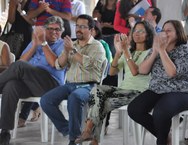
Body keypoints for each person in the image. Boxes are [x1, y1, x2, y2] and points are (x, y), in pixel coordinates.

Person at [75, 21, 155, 145]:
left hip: (140, 93)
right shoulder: (130, 51)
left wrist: (125, 51)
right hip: (123, 90)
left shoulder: (151, 52)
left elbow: (135, 71)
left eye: (141, 31)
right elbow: (112, 72)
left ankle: (92, 137)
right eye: (135, 31)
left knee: (102, 103)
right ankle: (90, 132)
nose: (136, 34)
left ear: (148, 35)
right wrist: (118, 53)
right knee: (97, 90)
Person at [40, 14, 106, 145]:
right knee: (46, 100)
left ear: (91, 30)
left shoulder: (97, 46)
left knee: (75, 97)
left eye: (83, 27)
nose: (78, 30)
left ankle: (73, 140)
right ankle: (70, 132)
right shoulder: (72, 44)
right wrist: (66, 52)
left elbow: (89, 64)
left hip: (89, 85)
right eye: (77, 26)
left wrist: (72, 51)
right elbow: (59, 65)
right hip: (70, 84)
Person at [0, 16, 66, 145]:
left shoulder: (63, 45)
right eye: (50, 29)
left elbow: (54, 63)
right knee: (11, 85)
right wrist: (35, 45)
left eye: (57, 29)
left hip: (51, 85)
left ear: (62, 31)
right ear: (44, 30)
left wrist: (43, 44)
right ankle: (5, 132)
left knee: (19, 67)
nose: (54, 32)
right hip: (31, 84)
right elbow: (21, 62)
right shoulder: (36, 42)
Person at [128, 20, 188, 145]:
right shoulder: (158, 49)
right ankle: (164, 135)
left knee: (161, 112)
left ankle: (162, 141)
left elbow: (172, 73)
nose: (165, 33)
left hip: (182, 91)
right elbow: (142, 70)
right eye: (163, 30)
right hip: (158, 89)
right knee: (135, 109)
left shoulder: (185, 50)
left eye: (169, 30)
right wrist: (155, 52)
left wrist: (162, 51)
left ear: (178, 33)